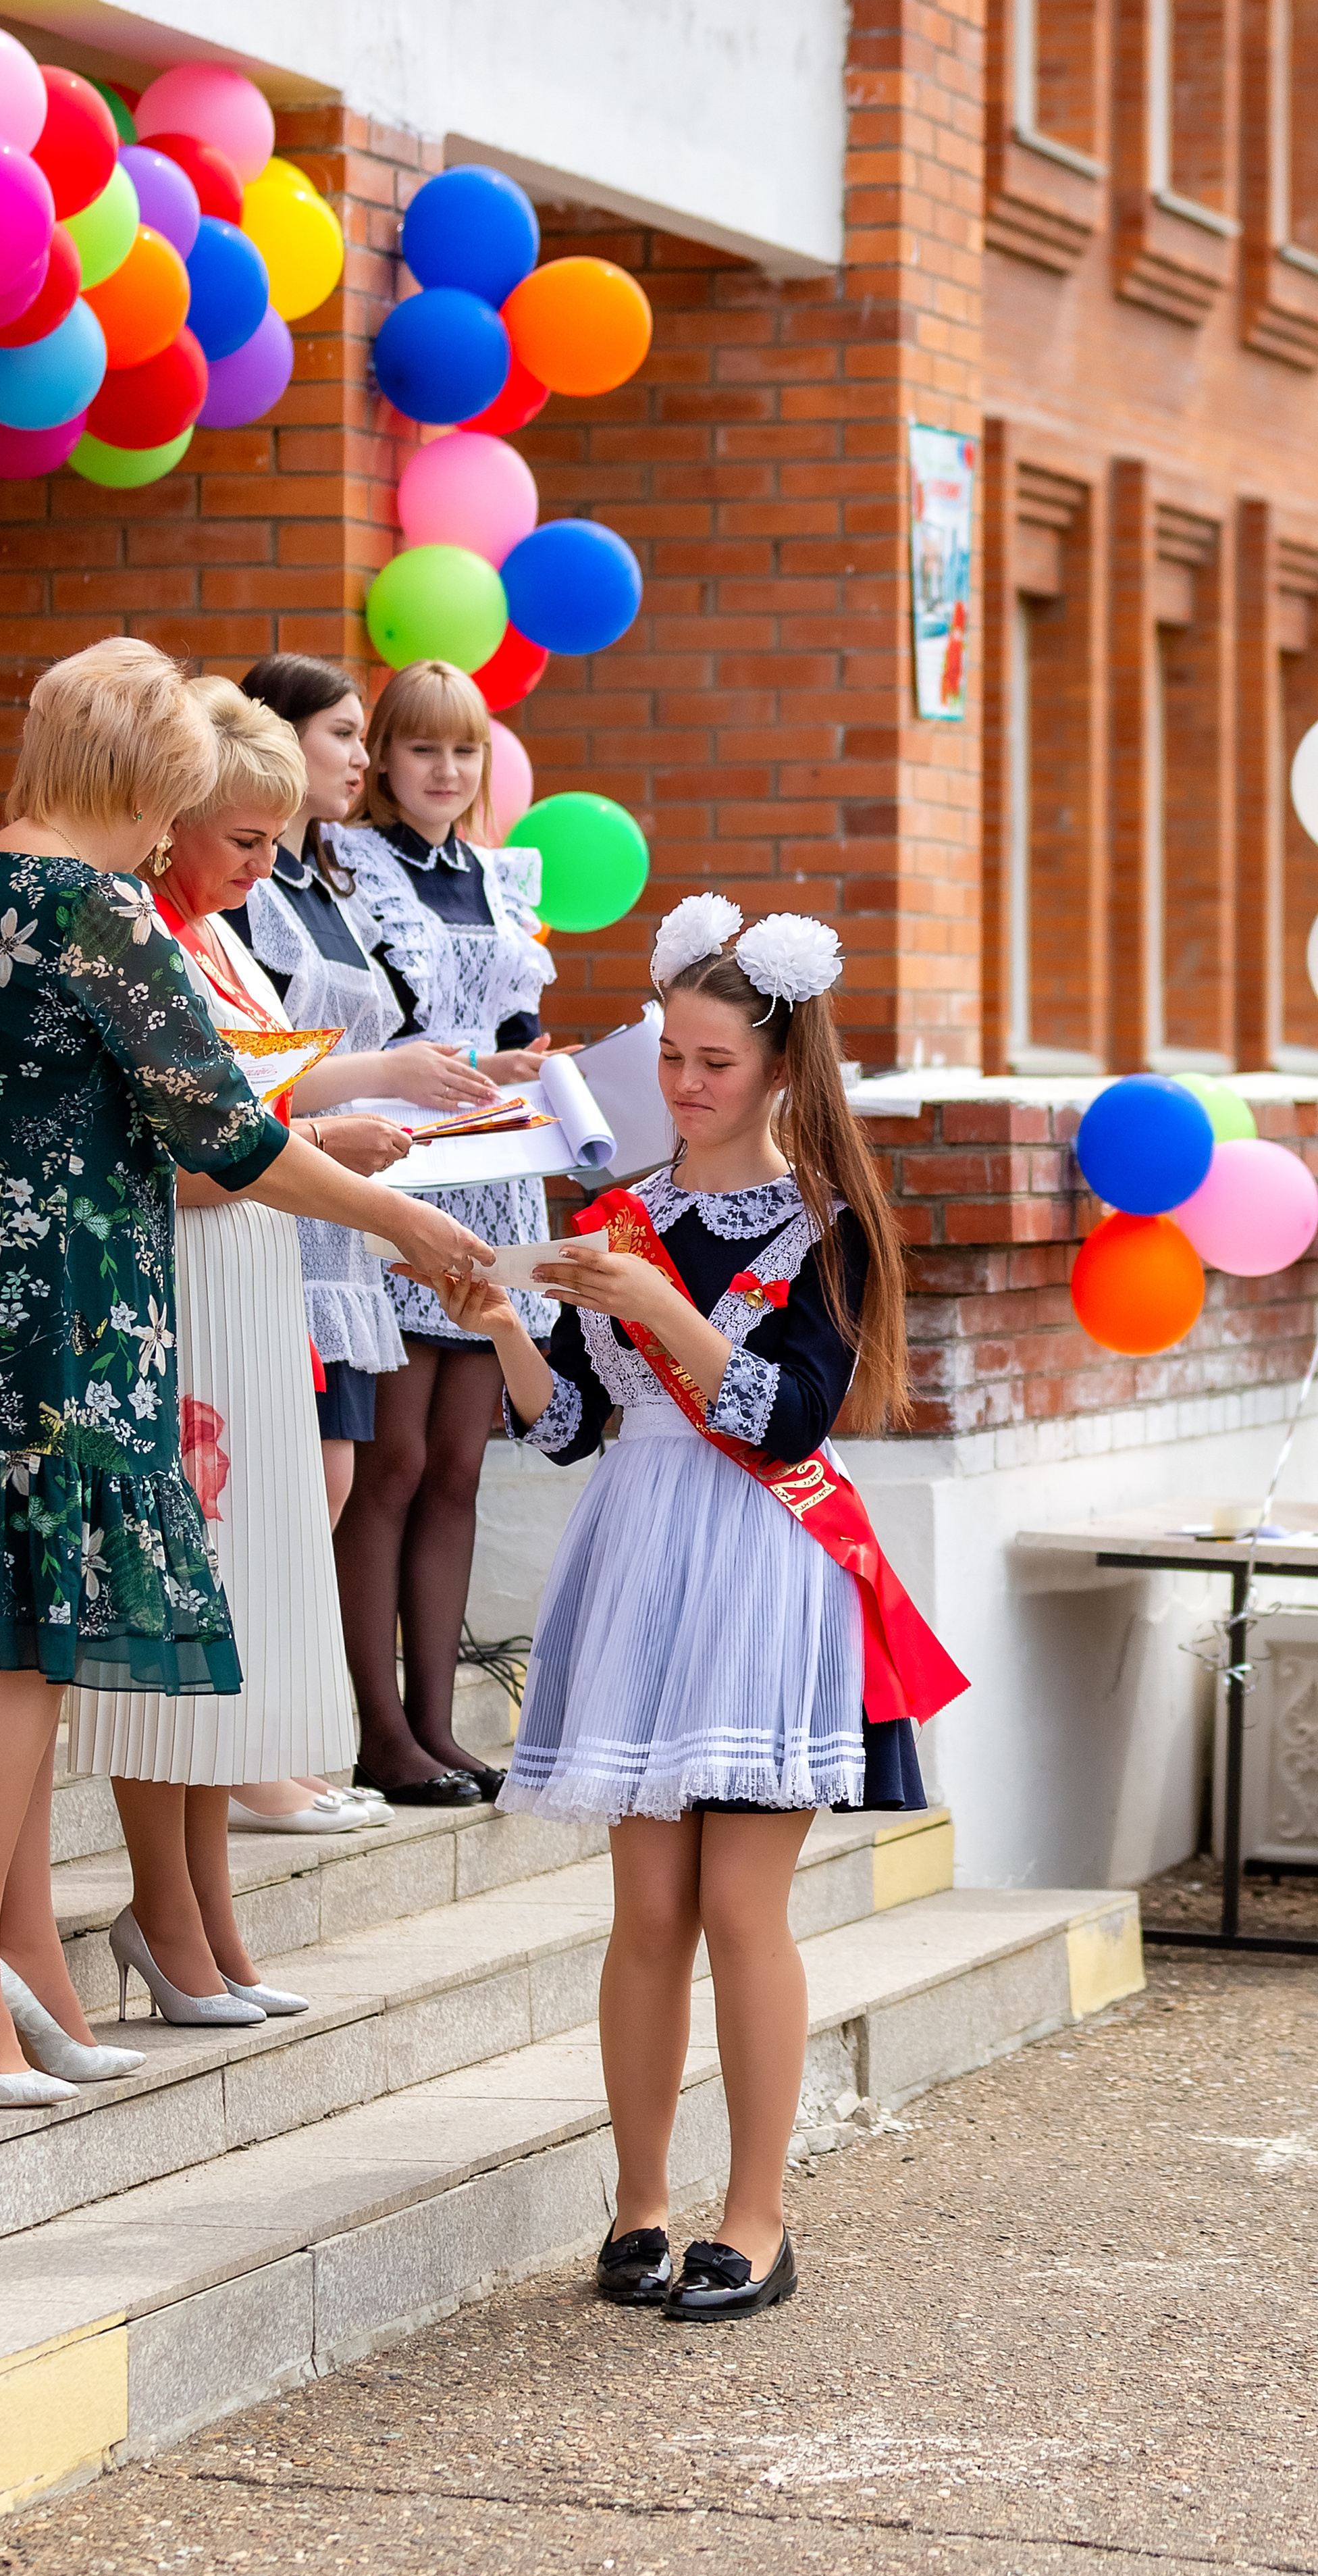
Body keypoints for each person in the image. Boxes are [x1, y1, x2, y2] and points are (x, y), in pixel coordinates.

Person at [0, 642, 492, 2107]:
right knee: (28, 1654)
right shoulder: (93, 909)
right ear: (138, 780)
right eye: (175, 801)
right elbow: (233, 1137)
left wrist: (33, 1140)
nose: (170, 834)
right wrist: (404, 1221)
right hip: (74, 1309)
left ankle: (7, 1966)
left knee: (17, 1644)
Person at [434, 895, 967, 2321]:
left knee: (740, 1907)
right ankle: (638, 2206)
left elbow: (784, 1422)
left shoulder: (822, 1228)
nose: (682, 1083)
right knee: (644, 1910)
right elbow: (564, 1435)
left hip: (761, 1564)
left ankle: (756, 2217)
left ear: (779, 1069)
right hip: (636, 1552)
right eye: (670, 1053)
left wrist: (658, 1305)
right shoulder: (619, 1215)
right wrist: (499, 1321)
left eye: (713, 1061)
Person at [64, 677, 415, 2024]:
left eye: (276, 839)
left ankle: (207, 1912)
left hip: (246, 1275)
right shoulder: (142, 938)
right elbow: (173, 1153)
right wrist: (327, 1151)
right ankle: (165, 1912)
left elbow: (257, 1094)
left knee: (233, 1615)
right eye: (245, 840)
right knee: (173, 1612)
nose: (269, 865)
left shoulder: (210, 935)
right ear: (169, 826)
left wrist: (350, 1112)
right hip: (181, 1287)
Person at [224, 652, 506, 1826]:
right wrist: (388, 1077)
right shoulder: (267, 888)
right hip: (307, 1194)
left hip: (382, 1186)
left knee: (369, 1472)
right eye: (349, 736)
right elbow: (254, 1060)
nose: (355, 758)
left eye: (352, 736)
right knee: (336, 1474)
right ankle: (316, 1739)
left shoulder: (332, 881)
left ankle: (355, 1735)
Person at [328, 661, 554, 1805]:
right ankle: (376, 1727)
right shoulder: (348, 869)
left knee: (462, 1463)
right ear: (382, 763)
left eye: (464, 750)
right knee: (396, 1458)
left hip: (504, 1177)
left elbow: (513, 1018)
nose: (445, 770)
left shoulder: (504, 875)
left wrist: (532, 1059)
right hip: (408, 1171)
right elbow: (373, 1024)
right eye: (422, 748)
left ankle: (434, 1723)